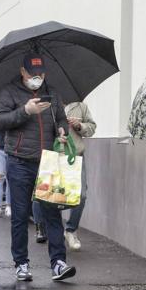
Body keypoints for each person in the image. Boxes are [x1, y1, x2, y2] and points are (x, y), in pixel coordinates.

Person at [0, 51, 76, 282]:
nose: (36, 77)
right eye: (32, 73)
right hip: (19, 160)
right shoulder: (9, 92)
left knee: (52, 213)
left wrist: (62, 130)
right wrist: (25, 111)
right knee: (20, 215)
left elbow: (60, 117)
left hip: (48, 161)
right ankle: (21, 264)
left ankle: (58, 263)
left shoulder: (52, 92)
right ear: (22, 72)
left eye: (40, 73)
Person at [32, 101, 96, 250]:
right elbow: (36, 129)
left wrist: (80, 126)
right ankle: (41, 226)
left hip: (75, 156)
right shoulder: (45, 102)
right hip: (51, 155)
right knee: (43, 193)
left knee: (81, 195)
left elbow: (91, 128)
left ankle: (71, 230)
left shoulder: (80, 106)